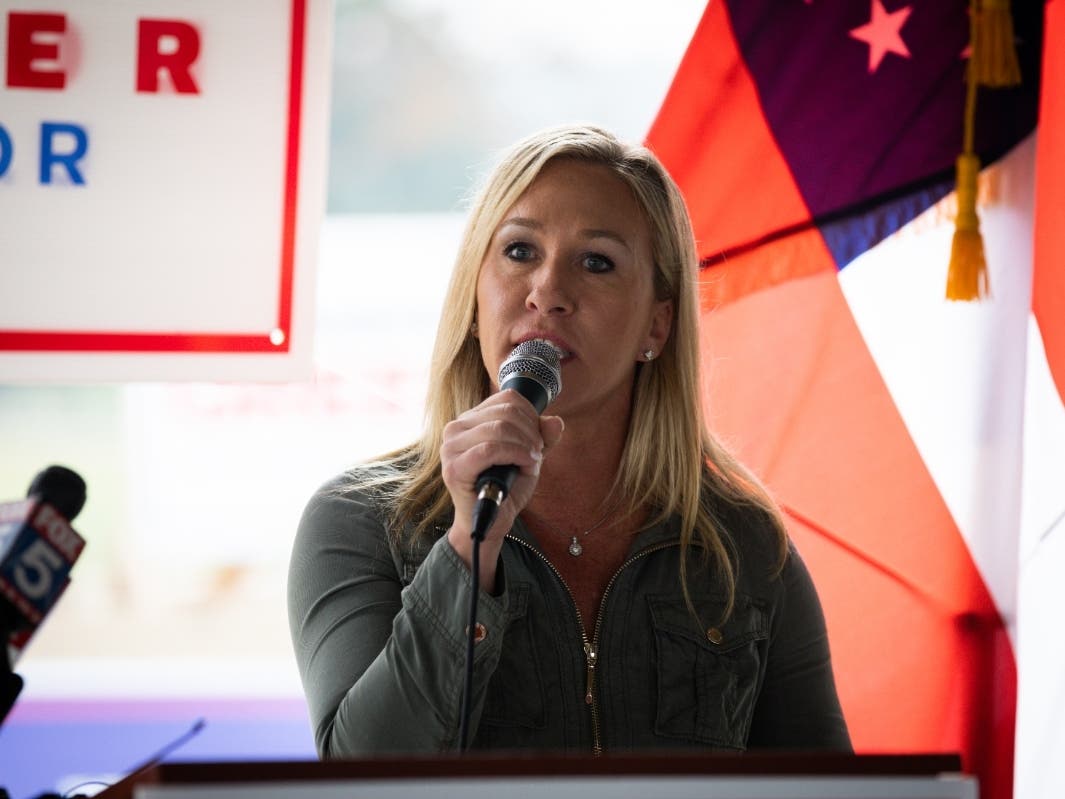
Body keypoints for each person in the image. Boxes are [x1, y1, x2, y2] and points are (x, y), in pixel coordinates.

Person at [287, 124, 851, 757]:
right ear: (476, 301)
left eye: (597, 262)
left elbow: (825, 790)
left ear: (657, 326)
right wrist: (469, 552)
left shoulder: (742, 545)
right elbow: (361, 780)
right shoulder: (361, 521)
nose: (548, 293)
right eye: (520, 252)